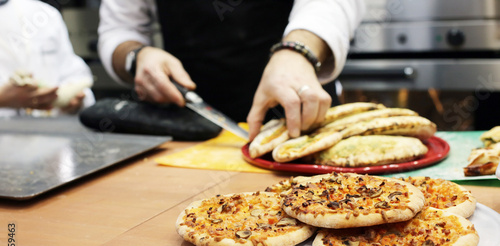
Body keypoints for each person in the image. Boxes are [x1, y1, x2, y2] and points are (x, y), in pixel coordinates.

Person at [98, 0, 364, 140]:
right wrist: (138, 56)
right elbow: (119, 29)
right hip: (190, 124)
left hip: (301, 115)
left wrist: (298, 50)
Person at [0, 0, 95, 116]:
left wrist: (75, 100)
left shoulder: (45, 14)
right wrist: (2, 100)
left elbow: (75, 74)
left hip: (50, 129)